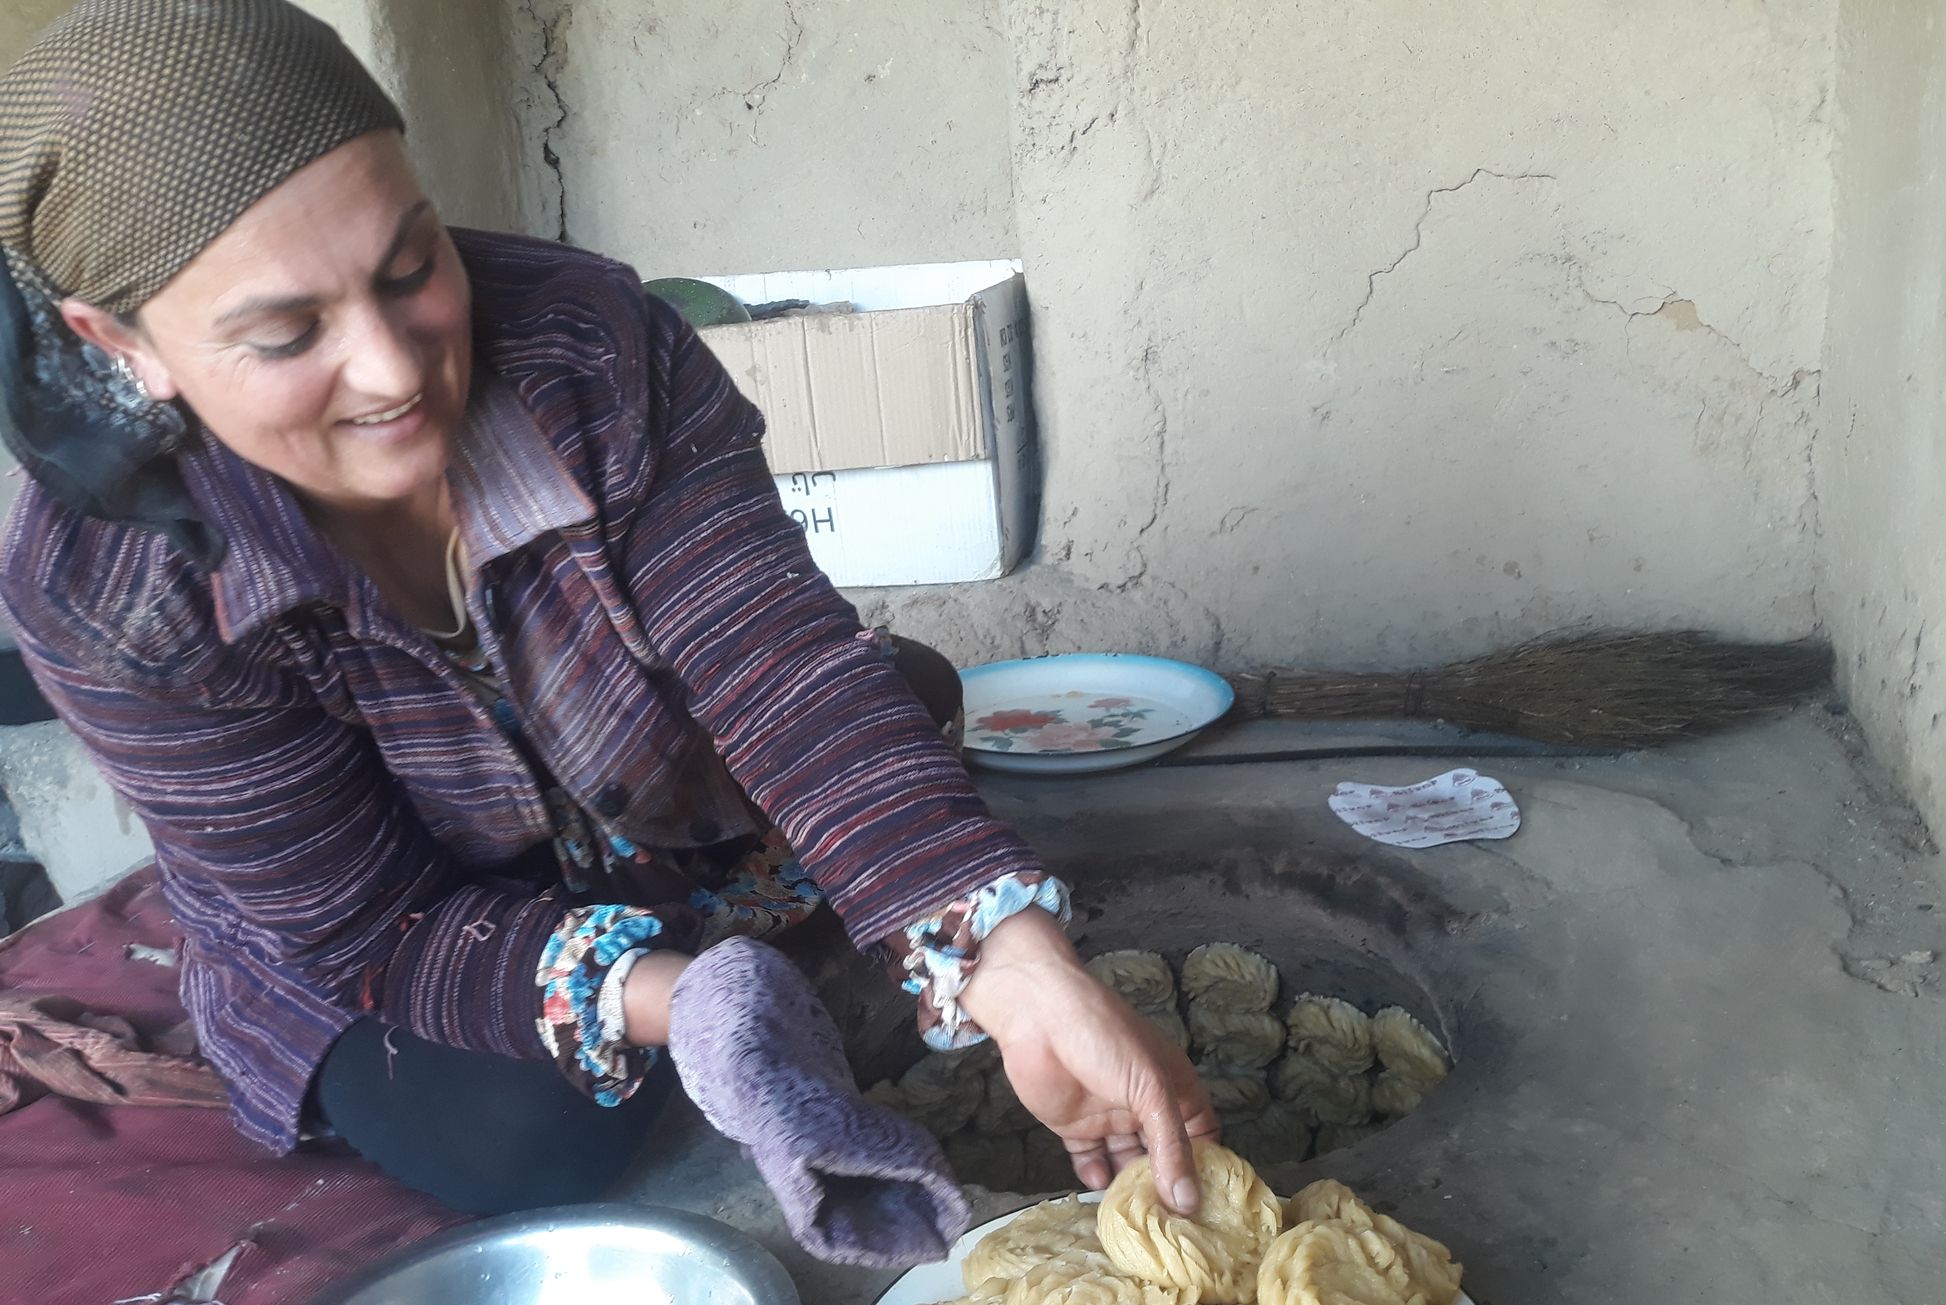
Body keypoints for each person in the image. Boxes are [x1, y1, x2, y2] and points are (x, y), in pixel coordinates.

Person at [0, 0, 1217, 1233]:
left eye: (412, 266)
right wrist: (686, 1004)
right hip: (406, 900)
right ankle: (700, 956)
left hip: (627, 792)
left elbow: (774, 662)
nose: (394, 367)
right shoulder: (104, 592)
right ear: (121, 343)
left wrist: (1010, 961)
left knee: (898, 712)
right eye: (286, 333)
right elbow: (382, 928)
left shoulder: (587, 342)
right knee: (529, 1141)